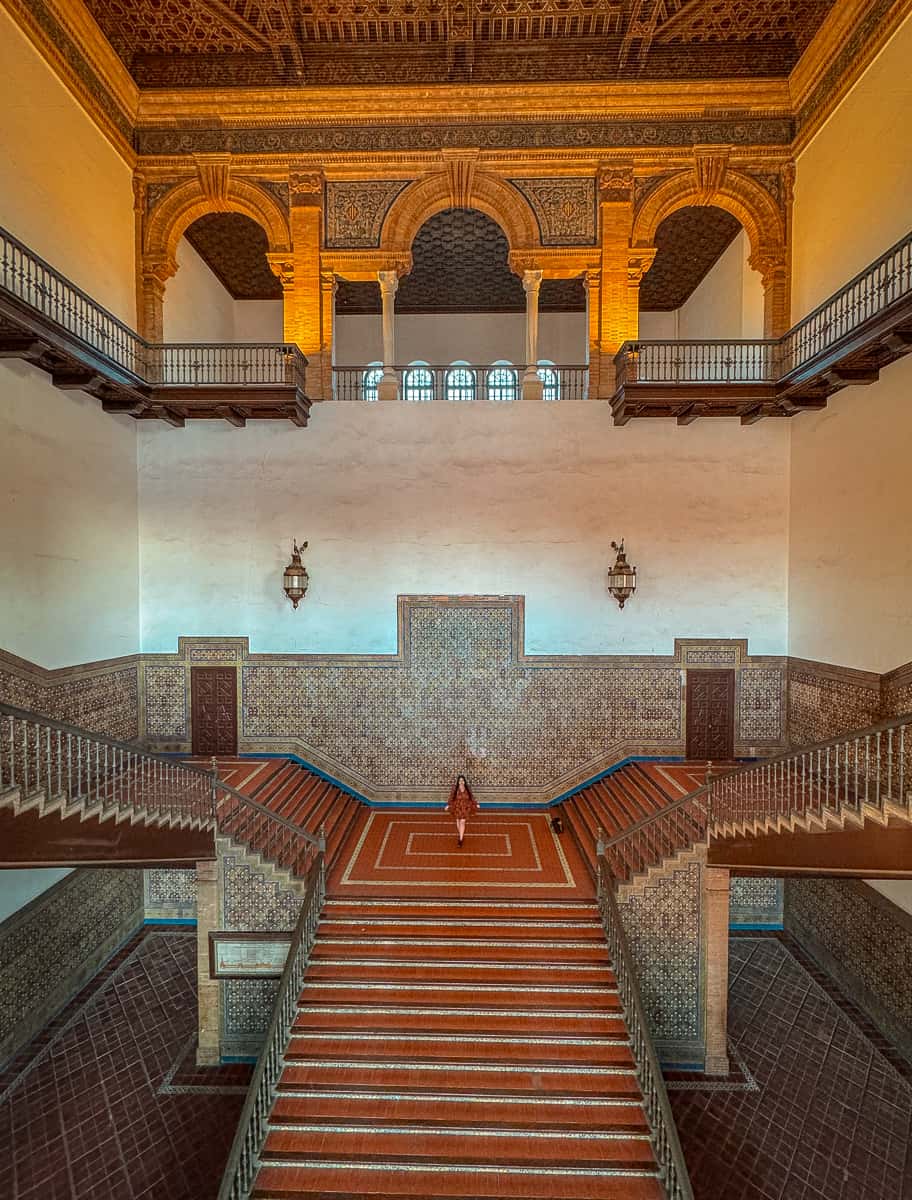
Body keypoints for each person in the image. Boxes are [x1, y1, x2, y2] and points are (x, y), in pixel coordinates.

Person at [446, 774, 478, 847]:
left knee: (462, 822)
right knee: (458, 821)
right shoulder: (455, 788)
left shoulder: (467, 788)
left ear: (464, 781)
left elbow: (471, 797)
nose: (461, 782)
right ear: (458, 781)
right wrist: (448, 805)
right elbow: (451, 797)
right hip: (457, 807)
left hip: (465, 808)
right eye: (460, 780)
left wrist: (476, 804)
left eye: (462, 780)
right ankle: (461, 833)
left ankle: (460, 840)